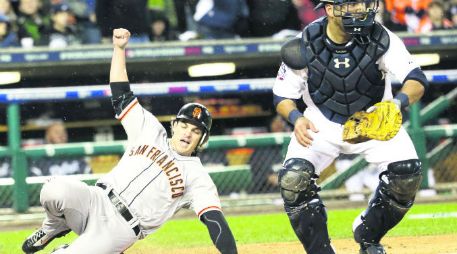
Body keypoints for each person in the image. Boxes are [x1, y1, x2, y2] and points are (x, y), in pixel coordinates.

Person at [21, 28, 237, 254]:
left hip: (119, 229)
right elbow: (121, 94)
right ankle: (55, 225)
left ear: (203, 139)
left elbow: (215, 221)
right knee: (53, 190)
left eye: (195, 130)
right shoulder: (150, 129)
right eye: (183, 125)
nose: (187, 133)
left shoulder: (197, 177)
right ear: (173, 125)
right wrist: (118, 49)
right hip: (96, 199)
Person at [273, 0, 428, 253]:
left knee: (406, 177)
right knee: (294, 180)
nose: (361, 8)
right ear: (331, 9)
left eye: (364, 2)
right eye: (352, 3)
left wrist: (397, 104)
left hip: (374, 121)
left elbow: (416, 79)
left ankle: (368, 235)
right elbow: (282, 96)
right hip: (321, 124)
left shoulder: (381, 37)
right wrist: (295, 118)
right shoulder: (307, 41)